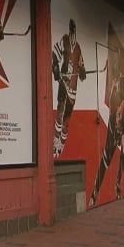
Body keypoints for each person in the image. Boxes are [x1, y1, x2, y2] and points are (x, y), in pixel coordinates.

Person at [90, 60, 124, 206]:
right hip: (113, 123)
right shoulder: (113, 86)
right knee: (106, 159)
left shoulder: (123, 84)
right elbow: (112, 109)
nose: (115, 77)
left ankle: (118, 184)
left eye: (116, 74)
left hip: (121, 123)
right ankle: (95, 191)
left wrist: (121, 113)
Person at [51, 19, 86, 158]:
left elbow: (82, 68)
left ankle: (61, 143)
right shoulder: (64, 40)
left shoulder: (78, 47)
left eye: (74, 30)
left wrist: (82, 71)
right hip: (63, 82)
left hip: (73, 89)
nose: (72, 33)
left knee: (66, 120)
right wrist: (55, 68)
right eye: (71, 29)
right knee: (59, 111)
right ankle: (55, 139)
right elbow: (55, 55)